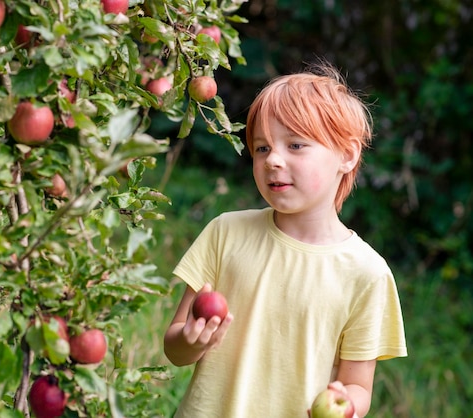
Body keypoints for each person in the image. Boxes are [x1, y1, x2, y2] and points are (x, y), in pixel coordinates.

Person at [163, 62, 407, 418]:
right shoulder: (225, 233)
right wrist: (189, 341)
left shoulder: (367, 273)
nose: (273, 160)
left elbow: (358, 384)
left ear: (347, 155)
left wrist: (347, 402)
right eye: (261, 148)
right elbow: (175, 347)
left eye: (295, 145)